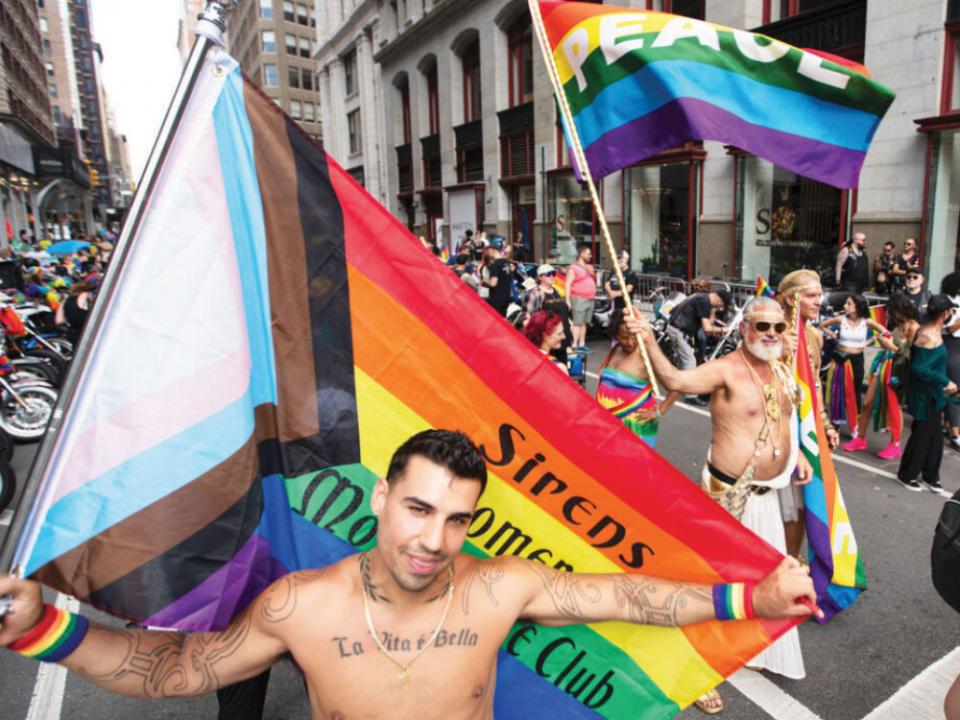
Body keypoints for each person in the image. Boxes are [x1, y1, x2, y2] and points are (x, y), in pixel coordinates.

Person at [0, 430, 818, 720]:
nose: (436, 539)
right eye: (419, 510)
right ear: (383, 498)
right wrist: (43, 628)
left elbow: (627, 595)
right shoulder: (300, 605)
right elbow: (179, 670)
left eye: (458, 518)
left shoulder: (499, 589)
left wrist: (753, 596)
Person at [627, 298, 814, 712]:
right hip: (728, 493)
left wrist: (797, 452)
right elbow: (675, 377)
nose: (771, 333)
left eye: (778, 327)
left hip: (770, 492)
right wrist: (646, 337)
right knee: (710, 585)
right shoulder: (727, 368)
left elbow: (784, 416)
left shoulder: (780, 366)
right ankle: (693, 676)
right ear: (744, 327)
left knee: (761, 578)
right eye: (762, 325)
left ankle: (748, 648)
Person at [777, 270, 840, 560]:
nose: (820, 301)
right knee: (779, 508)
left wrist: (825, 425)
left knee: (803, 504)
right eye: (812, 296)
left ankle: (791, 559)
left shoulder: (814, 336)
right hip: (776, 433)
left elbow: (815, 387)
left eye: (820, 295)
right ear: (791, 299)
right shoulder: (772, 332)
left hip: (807, 432)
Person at [843, 293, 919, 460]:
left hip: (897, 370)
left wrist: (889, 344)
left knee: (894, 407)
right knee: (867, 403)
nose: (889, 314)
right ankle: (860, 438)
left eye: (891, 310)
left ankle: (895, 444)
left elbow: (910, 353)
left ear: (900, 309)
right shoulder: (898, 325)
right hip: (883, 365)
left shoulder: (913, 327)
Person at [896, 295, 959, 494]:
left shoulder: (936, 331)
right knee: (923, 436)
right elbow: (919, 368)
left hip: (935, 393)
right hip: (924, 395)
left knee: (936, 438)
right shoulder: (927, 335)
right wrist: (945, 381)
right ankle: (906, 475)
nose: (953, 314)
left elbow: (934, 365)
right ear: (944, 313)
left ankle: (931, 477)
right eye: (951, 311)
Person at [597, 309, 677, 448]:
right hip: (608, 422)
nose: (630, 342)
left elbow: (676, 384)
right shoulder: (616, 349)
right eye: (624, 337)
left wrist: (660, 410)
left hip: (635, 424)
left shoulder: (647, 354)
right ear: (615, 335)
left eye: (634, 336)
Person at [820, 294, 887, 437]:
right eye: (845, 303)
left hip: (857, 359)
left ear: (857, 306)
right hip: (841, 359)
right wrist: (832, 335)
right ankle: (835, 424)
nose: (845, 306)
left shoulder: (866, 321)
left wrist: (870, 341)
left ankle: (854, 425)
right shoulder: (840, 319)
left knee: (855, 392)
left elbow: (884, 331)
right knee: (838, 390)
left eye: (848, 303)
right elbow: (822, 325)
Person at [666, 290, 730, 372]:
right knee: (690, 362)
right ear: (720, 301)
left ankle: (679, 380)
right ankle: (688, 383)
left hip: (676, 329)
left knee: (683, 362)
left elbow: (709, 323)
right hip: (677, 331)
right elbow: (707, 328)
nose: (720, 307)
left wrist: (713, 309)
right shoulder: (704, 302)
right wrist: (723, 330)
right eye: (722, 305)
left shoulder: (701, 296)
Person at [525, 265, 572, 362]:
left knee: (562, 369)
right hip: (548, 341)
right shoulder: (535, 293)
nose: (552, 276)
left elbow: (563, 314)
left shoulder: (556, 291)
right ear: (540, 277)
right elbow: (529, 317)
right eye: (548, 274)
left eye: (553, 274)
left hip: (562, 338)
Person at [940, 272, 960, 452]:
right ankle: (956, 435)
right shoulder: (947, 301)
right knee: (954, 388)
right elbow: (951, 328)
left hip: (956, 346)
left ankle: (947, 425)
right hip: (950, 345)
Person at [565, 244, 596, 352]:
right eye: (588, 254)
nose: (590, 256)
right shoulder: (573, 268)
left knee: (584, 323)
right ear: (582, 254)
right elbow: (568, 284)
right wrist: (567, 300)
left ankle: (582, 344)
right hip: (578, 298)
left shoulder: (589, 267)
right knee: (577, 323)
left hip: (590, 298)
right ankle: (574, 345)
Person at [523, 310, 568, 375]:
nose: (564, 337)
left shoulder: (522, 357)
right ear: (544, 336)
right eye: (559, 333)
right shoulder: (558, 368)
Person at [480, 242, 512, 317]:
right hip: (506, 297)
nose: (487, 254)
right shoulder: (507, 263)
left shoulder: (495, 265)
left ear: (492, 251)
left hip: (497, 299)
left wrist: (484, 280)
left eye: (488, 252)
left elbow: (493, 283)